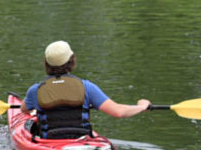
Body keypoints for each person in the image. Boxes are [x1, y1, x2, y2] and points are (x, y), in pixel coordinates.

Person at [22, 41, 150, 140]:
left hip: (50, 143)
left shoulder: (35, 91)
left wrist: (35, 109)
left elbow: (24, 110)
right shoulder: (87, 87)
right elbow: (119, 112)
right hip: (82, 141)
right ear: (72, 61)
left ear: (46, 63)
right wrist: (142, 107)